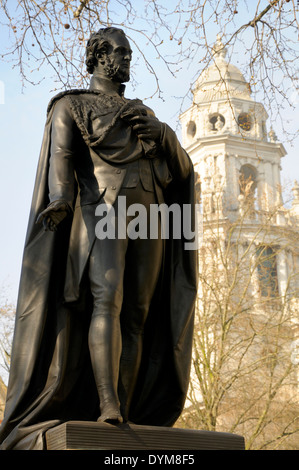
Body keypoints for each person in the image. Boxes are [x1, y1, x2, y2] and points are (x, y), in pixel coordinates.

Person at [0, 27, 197, 450]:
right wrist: (59, 199)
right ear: (99, 56)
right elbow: (62, 157)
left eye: (129, 54)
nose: (128, 60)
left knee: (140, 313)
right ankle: (108, 404)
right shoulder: (70, 105)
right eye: (121, 53)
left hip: (152, 215)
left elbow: (182, 172)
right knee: (107, 299)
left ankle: (125, 406)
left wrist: (163, 133)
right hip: (102, 211)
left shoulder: (143, 112)